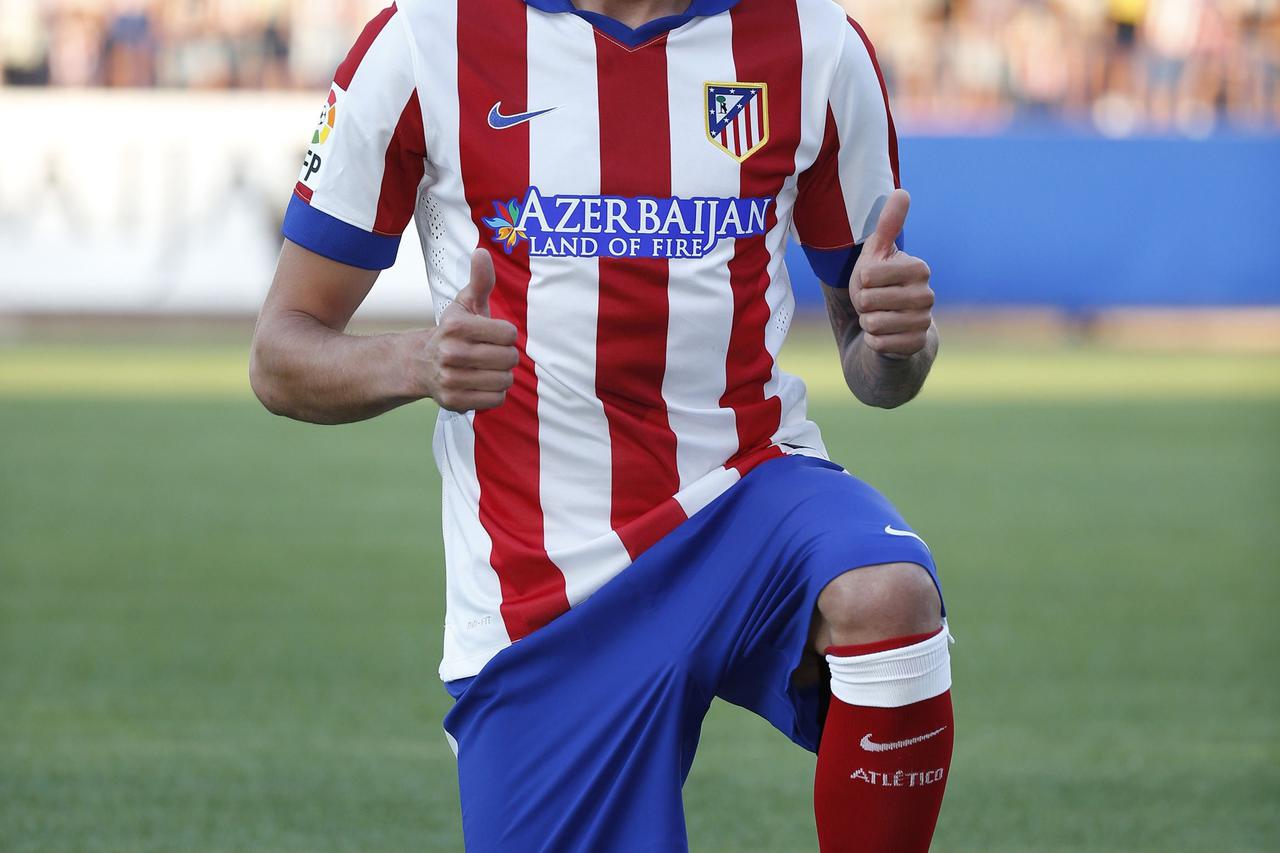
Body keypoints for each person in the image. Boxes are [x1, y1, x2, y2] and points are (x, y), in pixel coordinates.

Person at [250, 0, 953, 849]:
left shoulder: (817, 42)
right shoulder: (423, 38)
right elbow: (281, 354)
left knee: (889, 592)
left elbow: (878, 368)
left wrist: (899, 340)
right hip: (543, 578)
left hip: (747, 489)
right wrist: (417, 362)